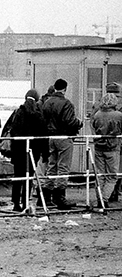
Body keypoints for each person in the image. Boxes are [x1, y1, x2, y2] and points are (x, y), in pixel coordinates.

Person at [41, 78, 82, 209]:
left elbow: (43, 120)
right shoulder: (66, 103)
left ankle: (46, 196)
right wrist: (79, 123)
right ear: (65, 89)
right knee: (63, 167)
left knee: (51, 166)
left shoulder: (47, 103)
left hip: (50, 137)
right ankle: (60, 198)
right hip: (64, 137)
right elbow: (69, 121)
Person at [8, 89, 47, 212]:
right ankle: (25, 201)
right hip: (32, 150)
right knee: (28, 176)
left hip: (18, 150)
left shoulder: (18, 112)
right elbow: (43, 134)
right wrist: (44, 152)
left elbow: (12, 130)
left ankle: (15, 203)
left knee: (18, 176)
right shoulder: (37, 113)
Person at [91, 93, 122, 207]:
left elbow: (93, 126)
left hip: (99, 146)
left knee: (100, 174)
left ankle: (99, 197)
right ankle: (104, 198)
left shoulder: (97, 114)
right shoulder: (119, 115)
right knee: (112, 175)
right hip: (113, 147)